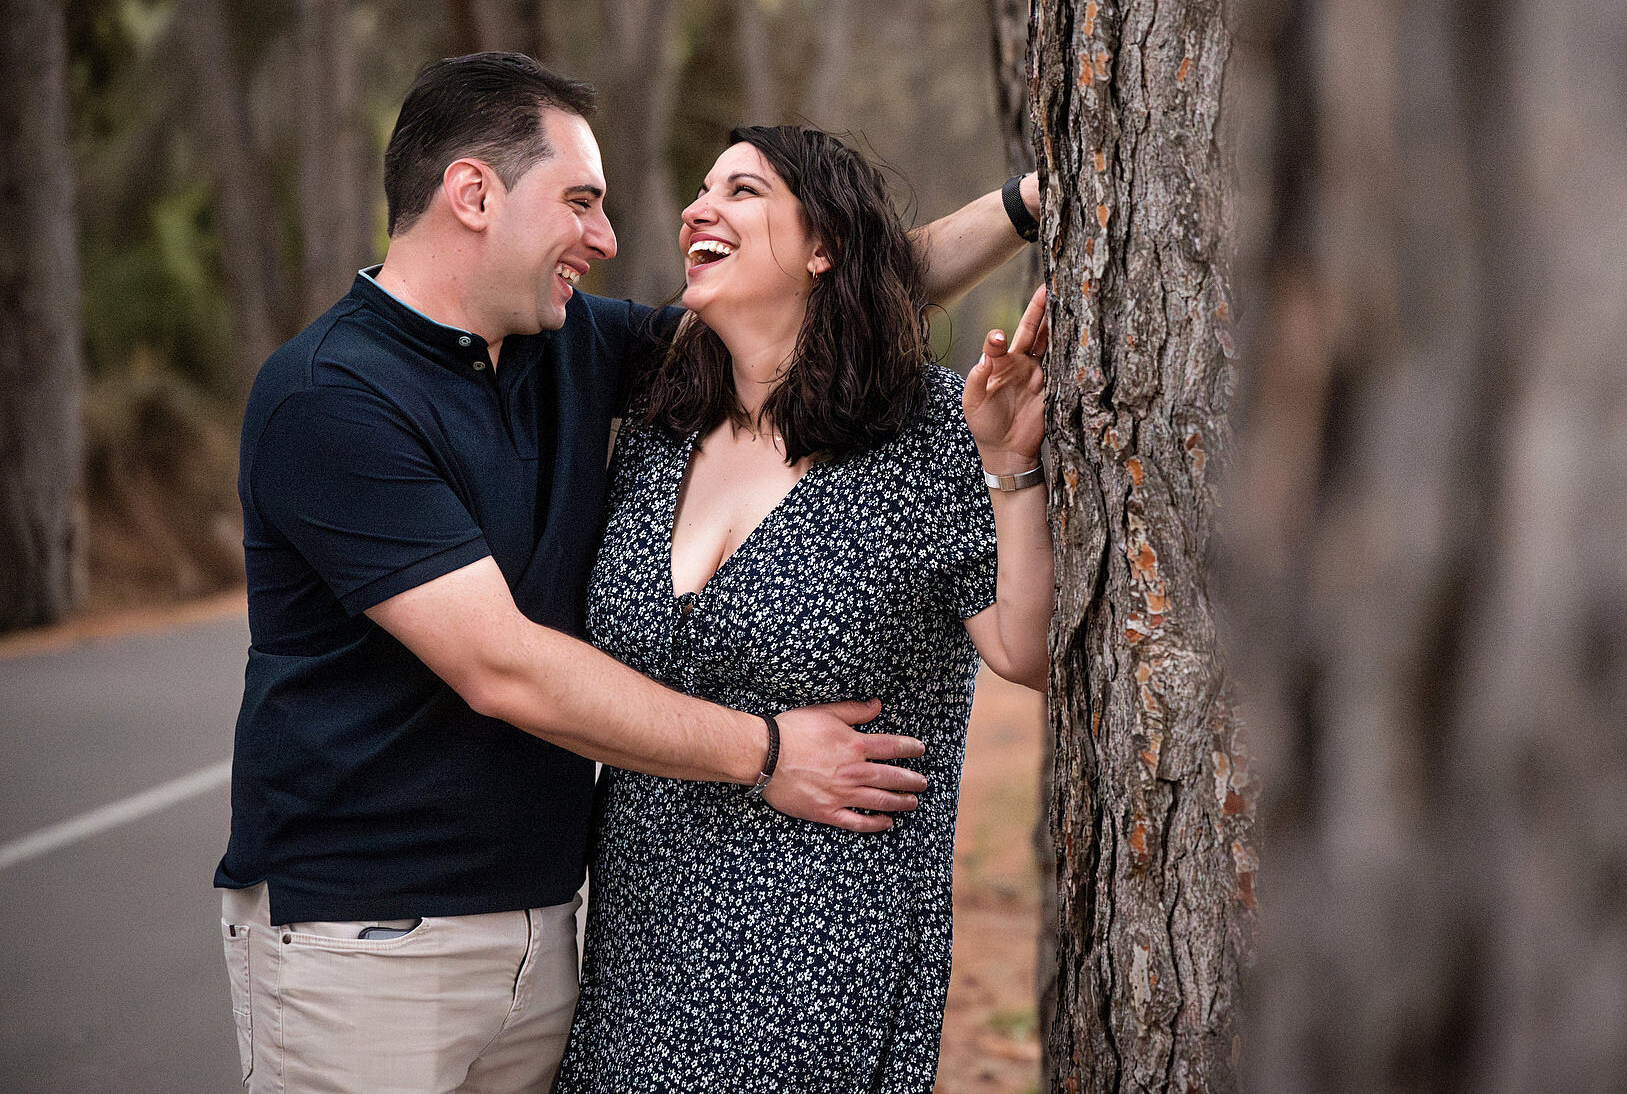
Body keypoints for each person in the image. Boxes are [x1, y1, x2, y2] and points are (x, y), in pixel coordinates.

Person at [214, 53, 1042, 1094]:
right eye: (579, 202)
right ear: (473, 193)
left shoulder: (566, 343)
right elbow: (500, 668)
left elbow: (822, 304)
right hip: (369, 940)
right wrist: (768, 748)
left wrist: (1021, 206)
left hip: (550, 934)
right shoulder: (332, 395)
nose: (606, 240)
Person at [553, 126, 1053, 1093]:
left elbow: (1022, 650)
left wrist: (1008, 468)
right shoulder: (660, 427)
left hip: (822, 941)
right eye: (701, 191)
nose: (699, 209)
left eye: (741, 191)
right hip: (638, 930)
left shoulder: (926, 433)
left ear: (823, 246)